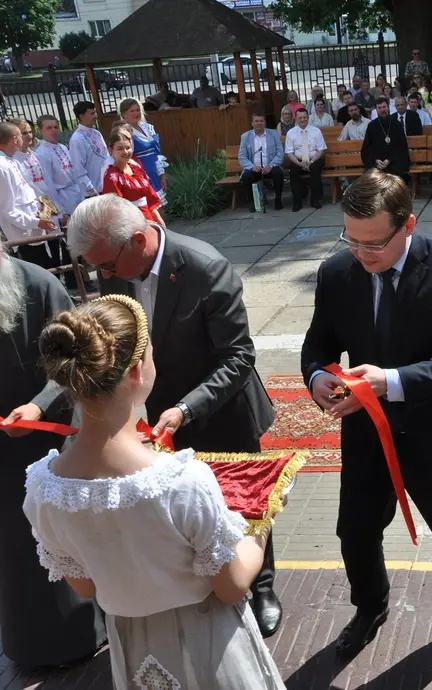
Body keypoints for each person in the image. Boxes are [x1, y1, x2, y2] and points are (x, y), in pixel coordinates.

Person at [22, 294, 285, 689]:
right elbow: (230, 588)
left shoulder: (44, 490)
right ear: (135, 373)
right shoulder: (182, 481)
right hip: (209, 645)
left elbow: (86, 585)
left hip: (132, 647)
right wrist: (261, 517)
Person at [300, 169, 432, 667]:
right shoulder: (336, 273)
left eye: (375, 244)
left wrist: (387, 381)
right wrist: (318, 379)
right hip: (368, 431)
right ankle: (370, 607)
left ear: (407, 226)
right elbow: (317, 347)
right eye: (352, 240)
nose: (362, 254)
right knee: (355, 528)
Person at [66, 194, 282, 639]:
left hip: (222, 410)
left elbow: (239, 357)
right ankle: (211, 577)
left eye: (105, 266)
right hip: (165, 414)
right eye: (95, 269)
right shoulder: (117, 275)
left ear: (139, 241)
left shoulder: (205, 267)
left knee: (244, 505)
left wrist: (188, 407)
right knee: (191, 507)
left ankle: (261, 586)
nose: (101, 276)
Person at [0, 249, 107, 667]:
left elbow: (74, 360)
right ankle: (27, 644)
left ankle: (83, 633)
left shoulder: (38, 285)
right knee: (14, 550)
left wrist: (39, 407)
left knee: (62, 540)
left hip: (46, 440)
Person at [0, 122, 59, 270]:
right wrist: (36, 222)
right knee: (37, 271)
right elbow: (7, 210)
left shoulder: (9, 160)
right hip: (23, 235)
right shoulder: (3, 167)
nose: (25, 138)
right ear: (14, 139)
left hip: (33, 230)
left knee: (47, 267)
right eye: (21, 135)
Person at [103, 130, 165, 225]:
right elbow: (116, 210)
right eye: (120, 149)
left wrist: (157, 217)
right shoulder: (112, 177)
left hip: (148, 217)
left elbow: (149, 197)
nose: (125, 152)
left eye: (128, 148)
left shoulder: (136, 168)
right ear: (111, 151)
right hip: (131, 223)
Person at [35, 114, 89, 216]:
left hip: (76, 191)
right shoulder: (42, 153)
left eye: (55, 127)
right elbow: (49, 183)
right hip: (63, 196)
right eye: (49, 128)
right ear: (40, 130)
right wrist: (59, 209)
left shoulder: (63, 147)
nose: (53, 130)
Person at [120, 98, 167, 203]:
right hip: (141, 174)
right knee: (151, 209)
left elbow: (157, 153)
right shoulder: (125, 132)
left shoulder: (148, 127)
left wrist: (162, 174)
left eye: (137, 110)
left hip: (154, 172)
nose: (136, 113)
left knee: (161, 206)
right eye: (132, 111)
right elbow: (125, 157)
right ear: (124, 114)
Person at [238, 111, 286, 211]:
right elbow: (242, 157)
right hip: (254, 168)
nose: (259, 123)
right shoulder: (245, 137)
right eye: (256, 121)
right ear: (252, 123)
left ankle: (278, 199)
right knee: (246, 177)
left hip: (270, 167)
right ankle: (252, 201)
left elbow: (280, 153)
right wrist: (252, 167)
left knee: (278, 173)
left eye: (261, 121)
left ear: (265, 123)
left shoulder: (273, 134)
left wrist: (271, 165)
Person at [284, 109, 327, 211]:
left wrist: (311, 162)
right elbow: (289, 153)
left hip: (314, 159)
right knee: (293, 172)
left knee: (315, 169)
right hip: (297, 160)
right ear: (296, 118)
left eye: (305, 117)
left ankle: (315, 200)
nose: (302, 120)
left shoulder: (316, 131)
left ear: (308, 118)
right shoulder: (291, 133)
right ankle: (297, 202)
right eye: (300, 118)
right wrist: (299, 164)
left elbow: (321, 150)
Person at [361, 96, 411, 185]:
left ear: (388, 108)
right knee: (371, 172)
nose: (382, 110)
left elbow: (401, 147)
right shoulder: (372, 126)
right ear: (376, 110)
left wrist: (389, 160)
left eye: (384, 107)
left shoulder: (397, 124)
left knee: (396, 170)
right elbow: (367, 148)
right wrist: (376, 160)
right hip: (377, 163)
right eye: (379, 108)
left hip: (394, 161)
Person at [69, 101, 107, 196]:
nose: (95, 116)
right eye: (92, 113)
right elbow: (78, 168)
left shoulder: (97, 133)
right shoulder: (77, 139)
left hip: (107, 184)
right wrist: (90, 189)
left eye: (95, 113)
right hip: (94, 190)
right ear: (81, 116)